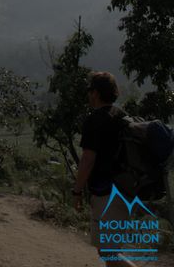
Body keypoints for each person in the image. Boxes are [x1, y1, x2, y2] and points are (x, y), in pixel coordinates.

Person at [73, 71, 137, 267]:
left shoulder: (95, 120)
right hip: (126, 190)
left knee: (109, 253)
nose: (89, 94)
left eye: (90, 90)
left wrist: (76, 191)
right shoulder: (121, 115)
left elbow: (88, 160)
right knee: (109, 251)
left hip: (107, 194)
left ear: (96, 93)